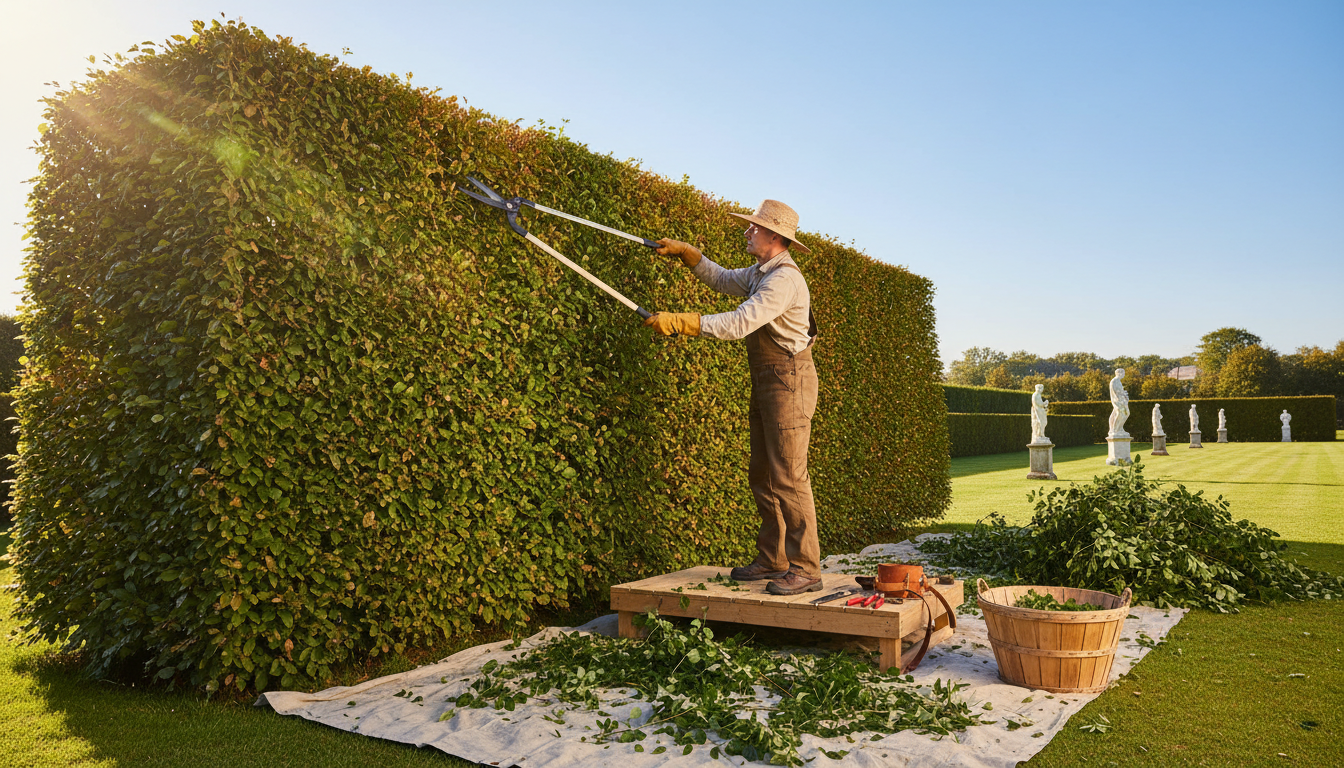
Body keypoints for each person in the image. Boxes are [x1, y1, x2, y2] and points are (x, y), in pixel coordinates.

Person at [644, 199, 821, 596]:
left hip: (789, 379)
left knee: (790, 474)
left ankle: (806, 567)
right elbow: (724, 280)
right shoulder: (762, 272)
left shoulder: (783, 280)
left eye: (753, 228)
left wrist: (682, 322)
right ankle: (772, 559)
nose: (747, 232)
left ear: (775, 237)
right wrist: (692, 257)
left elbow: (739, 322)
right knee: (762, 471)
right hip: (769, 379)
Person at [1108, 368, 1129, 437]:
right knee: (1120, 413)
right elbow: (1115, 393)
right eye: (1123, 373)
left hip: (1121, 400)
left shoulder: (1118, 381)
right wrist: (1121, 398)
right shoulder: (1114, 381)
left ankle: (1119, 428)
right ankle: (1115, 429)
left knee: (1125, 413)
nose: (1124, 375)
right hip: (1118, 401)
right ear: (1119, 373)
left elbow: (1120, 392)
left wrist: (1124, 395)